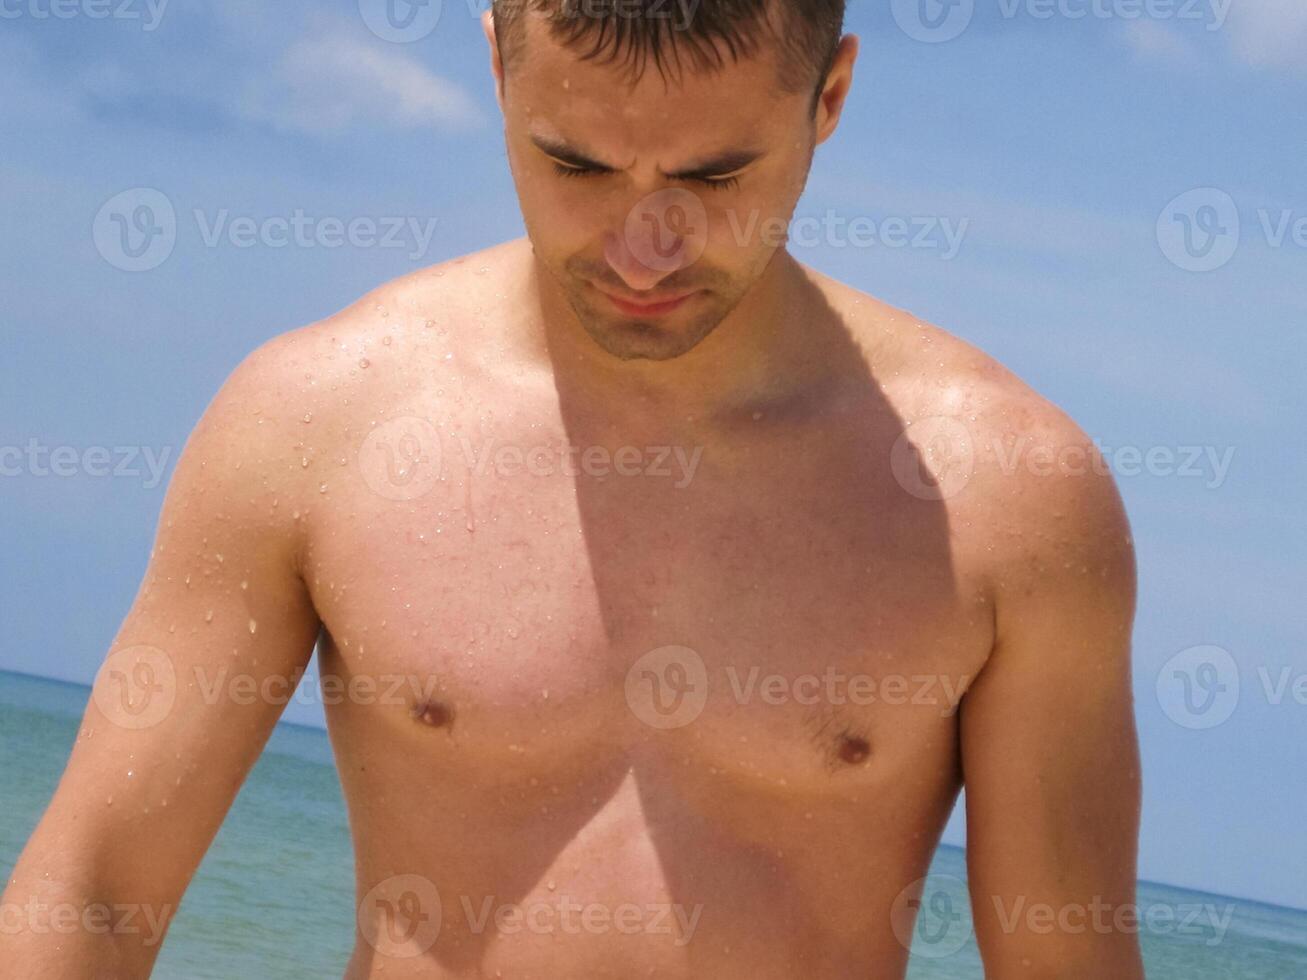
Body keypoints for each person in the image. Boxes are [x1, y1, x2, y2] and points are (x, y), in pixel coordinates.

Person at [1, 1, 1144, 976]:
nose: (643, 244)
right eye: (577, 166)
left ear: (829, 96)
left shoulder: (1004, 493)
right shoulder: (320, 420)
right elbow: (94, 892)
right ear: (496, 60)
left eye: (714, 176)